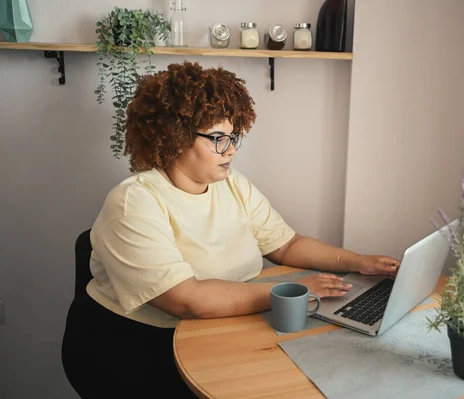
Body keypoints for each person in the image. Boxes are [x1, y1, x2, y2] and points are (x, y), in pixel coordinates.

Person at [62, 61, 400, 398]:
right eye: (218, 139)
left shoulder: (233, 185)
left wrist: (357, 261)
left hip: (219, 327)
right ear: (175, 137)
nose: (232, 149)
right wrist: (290, 291)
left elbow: (287, 245)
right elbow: (187, 300)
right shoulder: (133, 203)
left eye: (233, 136)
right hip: (136, 347)